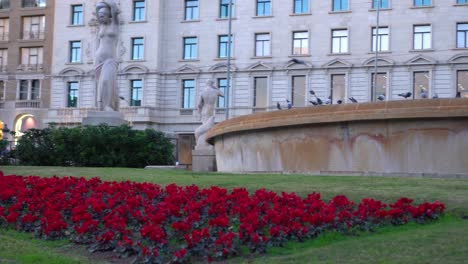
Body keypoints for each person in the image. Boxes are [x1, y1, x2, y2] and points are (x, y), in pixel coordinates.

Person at [95, 0, 120, 111]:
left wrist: (105, 1)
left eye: (103, 15)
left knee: (107, 81)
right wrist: (100, 5)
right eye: (99, 16)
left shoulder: (114, 25)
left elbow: (114, 7)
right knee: (100, 84)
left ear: (109, 15)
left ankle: (109, 105)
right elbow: (97, 8)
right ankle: (101, 105)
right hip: (98, 58)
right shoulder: (101, 26)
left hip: (110, 58)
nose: (100, 18)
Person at [194, 80, 224, 149]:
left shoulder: (203, 92)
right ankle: (203, 141)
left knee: (207, 125)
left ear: (206, 84)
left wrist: (199, 112)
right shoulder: (215, 91)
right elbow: (223, 94)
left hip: (204, 110)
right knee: (209, 126)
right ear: (212, 84)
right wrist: (216, 88)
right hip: (211, 109)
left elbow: (199, 104)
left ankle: (202, 141)